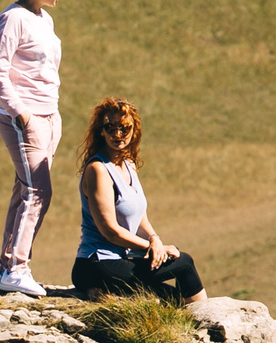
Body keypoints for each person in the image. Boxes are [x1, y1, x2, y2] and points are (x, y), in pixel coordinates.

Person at [0, 0, 72, 297]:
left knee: (25, 191)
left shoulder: (43, 19)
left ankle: (8, 266)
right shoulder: (13, 19)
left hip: (49, 117)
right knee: (38, 192)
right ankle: (17, 269)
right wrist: (20, 113)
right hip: (25, 120)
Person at [71, 97, 208, 309]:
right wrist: (153, 248)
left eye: (124, 128)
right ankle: (209, 320)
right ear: (101, 131)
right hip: (97, 263)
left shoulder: (129, 165)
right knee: (184, 263)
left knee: (172, 296)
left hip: (123, 258)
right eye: (110, 128)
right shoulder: (98, 170)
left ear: (134, 130)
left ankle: (109, 294)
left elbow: (139, 216)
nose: (118, 135)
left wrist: (155, 240)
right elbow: (110, 232)